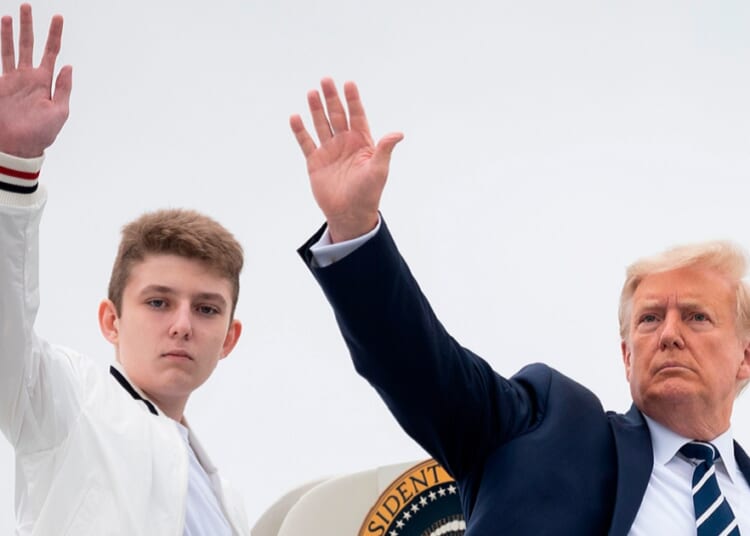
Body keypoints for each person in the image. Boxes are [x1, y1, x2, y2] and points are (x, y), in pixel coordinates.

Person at [290, 78, 750, 535]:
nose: (669, 334)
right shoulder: (549, 429)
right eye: (649, 319)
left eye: (696, 317)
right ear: (627, 355)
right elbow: (422, 369)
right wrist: (354, 229)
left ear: (745, 358)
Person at [0, 5, 250, 534]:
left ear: (229, 338)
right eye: (158, 302)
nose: (182, 323)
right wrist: (14, 167)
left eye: (206, 309)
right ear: (111, 320)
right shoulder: (65, 402)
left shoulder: (227, 501)